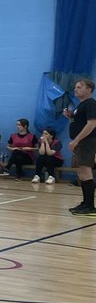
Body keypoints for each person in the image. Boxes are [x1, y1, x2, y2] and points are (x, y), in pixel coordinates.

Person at [62, 78, 96, 215]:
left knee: (86, 172)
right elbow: (79, 122)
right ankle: (85, 203)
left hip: (87, 142)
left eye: (79, 87)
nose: (75, 89)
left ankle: (90, 206)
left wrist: (76, 140)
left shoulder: (91, 104)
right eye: (75, 87)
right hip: (82, 142)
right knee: (81, 173)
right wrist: (70, 117)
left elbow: (92, 124)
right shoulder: (80, 105)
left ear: (88, 90)